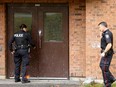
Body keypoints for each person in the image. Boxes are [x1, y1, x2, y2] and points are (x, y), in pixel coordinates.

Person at [98, 22, 116, 87]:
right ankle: (111, 78)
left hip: (107, 54)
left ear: (103, 26)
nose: (99, 29)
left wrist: (104, 52)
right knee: (101, 65)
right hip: (105, 53)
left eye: (99, 27)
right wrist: (101, 35)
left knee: (104, 68)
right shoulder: (105, 33)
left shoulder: (107, 34)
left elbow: (109, 44)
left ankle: (107, 84)